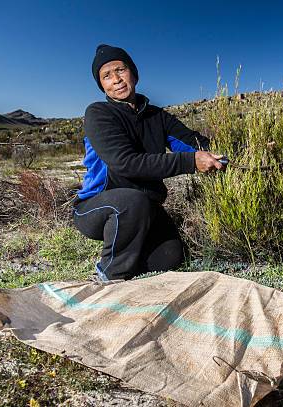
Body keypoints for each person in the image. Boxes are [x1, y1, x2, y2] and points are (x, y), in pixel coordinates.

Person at [72, 44, 225, 281]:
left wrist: (233, 152)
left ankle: (126, 256)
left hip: (145, 208)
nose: (116, 79)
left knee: (170, 257)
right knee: (132, 201)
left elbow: (193, 143)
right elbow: (126, 163)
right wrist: (190, 162)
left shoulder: (157, 116)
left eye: (121, 70)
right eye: (106, 76)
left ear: (134, 73)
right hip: (97, 207)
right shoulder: (99, 114)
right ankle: (110, 274)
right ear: (101, 84)